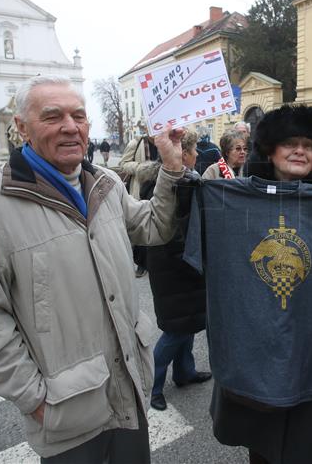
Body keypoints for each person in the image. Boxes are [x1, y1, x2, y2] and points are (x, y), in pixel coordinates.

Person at [0, 75, 185, 462]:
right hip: (67, 412)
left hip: (129, 388)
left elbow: (153, 226)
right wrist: (35, 400)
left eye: (79, 115)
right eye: (52, 116)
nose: (70, 126)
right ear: (21, 127)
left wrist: (171, 171)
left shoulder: (105, 183)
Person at [188, 104, 312, 464]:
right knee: (262, 452)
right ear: (270, 150)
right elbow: (183, 248)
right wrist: (178, 179)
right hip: (252, 356)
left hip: (310, 354)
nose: (299, 151)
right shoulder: (226, 200)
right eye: (290, 143)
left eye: (309, 145)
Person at [140, 129, 212, 412]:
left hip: (179, 258)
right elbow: (179, 226)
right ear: (183, 154)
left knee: (188, 321)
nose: (197, 157)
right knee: (177, 327)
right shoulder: (176, 181)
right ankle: (152, 386)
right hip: (175, 260)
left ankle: (185, 371)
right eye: (194, 152)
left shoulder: (173, 177)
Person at [119, 129, 161, 278]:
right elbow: (123, 164)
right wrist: (141, 168)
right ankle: (141, 264)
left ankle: (154, 262)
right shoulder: (136, 143)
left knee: (158, 223)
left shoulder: (164, 141)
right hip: (141, 187)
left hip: (159, 188)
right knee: (142, 223)